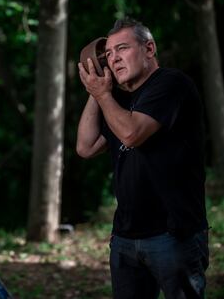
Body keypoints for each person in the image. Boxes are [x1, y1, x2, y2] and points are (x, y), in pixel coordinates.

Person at [76, 17, 209, 299]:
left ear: (149, 49)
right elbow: (86, 147)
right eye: (108, 54)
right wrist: (96, 91)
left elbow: (131, 134)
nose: (114, 59)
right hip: (125, 236)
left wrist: (102, 94)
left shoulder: (171, 85)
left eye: (122, 48)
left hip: (173, 234)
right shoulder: (117, 102)